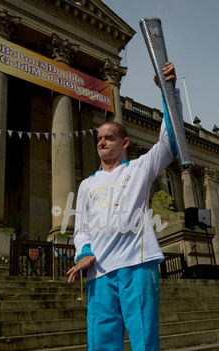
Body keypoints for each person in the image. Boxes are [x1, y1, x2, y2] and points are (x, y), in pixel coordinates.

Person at [67, 62, 183, 351]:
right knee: (102, 344)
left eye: (109, 137)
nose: (102, 142)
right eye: (99, 139)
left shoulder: (140, 168)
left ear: (125, 142)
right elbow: (81, 229)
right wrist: (84, 253)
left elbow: (170, 142)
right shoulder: (87, 185)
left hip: (137, 267)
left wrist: (169, 92)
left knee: (144, 341)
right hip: (100, 273)